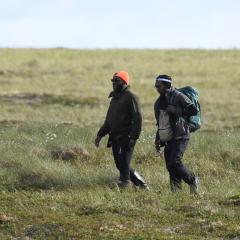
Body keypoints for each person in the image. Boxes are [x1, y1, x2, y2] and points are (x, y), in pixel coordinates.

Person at [94, 71, 148, 189]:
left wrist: (134, 136)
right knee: (119, 163)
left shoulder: (130, 97)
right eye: (113, 80)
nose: (113, 83)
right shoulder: (114, 99)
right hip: (114, 136)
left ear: (124, 82)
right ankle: (141, 183)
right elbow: (109, 120)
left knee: (124, 162)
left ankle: (124, 183)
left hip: (127, 136)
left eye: (116, 80)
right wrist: (100, 135)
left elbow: (137, 117)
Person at [154, 74, 199, 194]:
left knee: (175, 162)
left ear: (167, 85)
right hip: (168, 138)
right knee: (170, 166)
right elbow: (160, 123)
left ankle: (192, 180)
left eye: (159, 86)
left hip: (181, 135)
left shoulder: (179, 96)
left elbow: (193, 110)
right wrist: (158, 139)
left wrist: (177, 111)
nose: (157, 88)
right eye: (156, 86)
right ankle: (176, 193)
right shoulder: (158, 102)